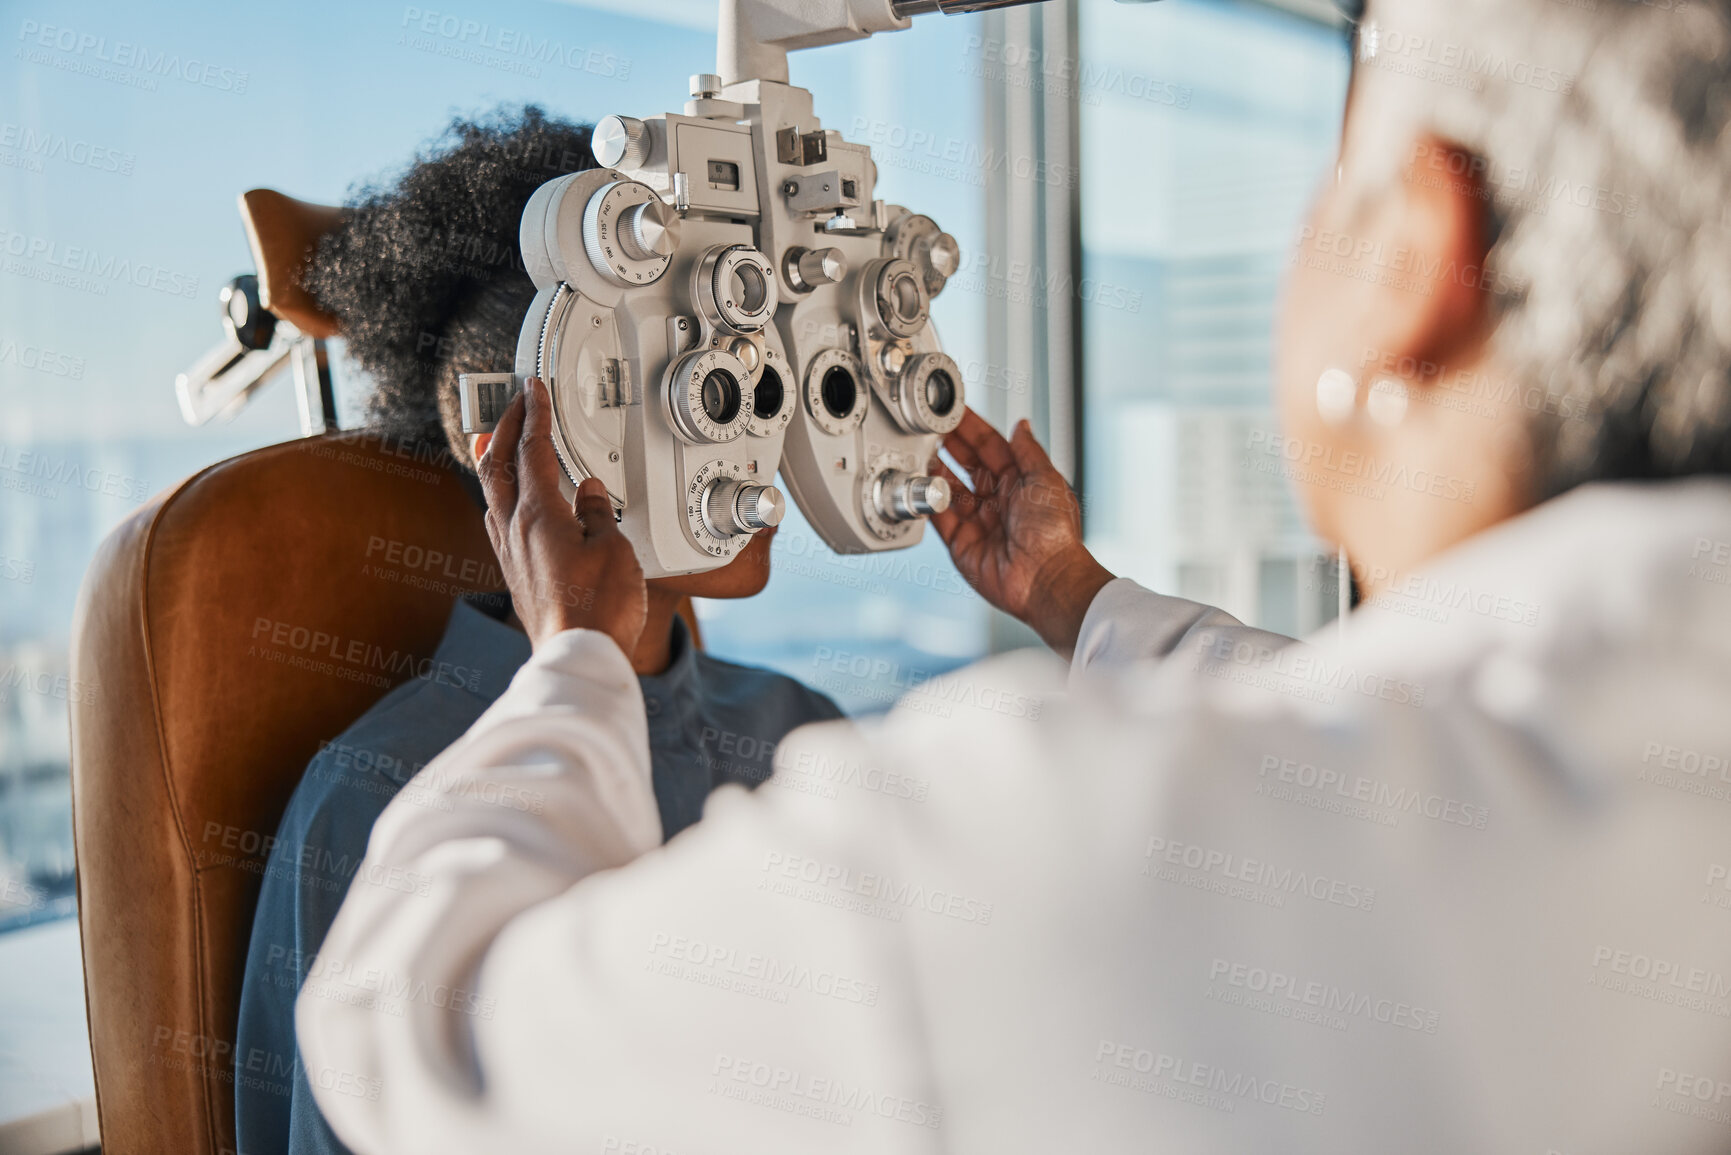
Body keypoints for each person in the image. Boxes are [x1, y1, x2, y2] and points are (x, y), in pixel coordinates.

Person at [300, 0, 1731, 1149]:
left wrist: (576, 662)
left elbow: (425, 1033)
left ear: (1413, 248)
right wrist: (1076, 596)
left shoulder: (970, 837)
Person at [232, 106, 843, 1155]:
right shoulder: (379, 791)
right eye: (698, 389)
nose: (760, 429)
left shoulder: (801, 735)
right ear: (521, 448)